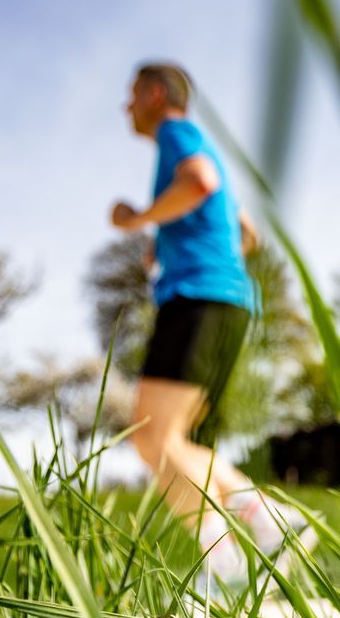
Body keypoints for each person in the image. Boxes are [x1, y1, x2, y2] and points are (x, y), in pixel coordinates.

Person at [110, 60, 300, 584]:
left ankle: (221, 559)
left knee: (152, 437)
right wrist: (170, 242)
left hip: (197, 299)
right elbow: (246, 230)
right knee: (175, 441)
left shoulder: (176, 132)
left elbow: (199, 182)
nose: (126, 106)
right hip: (227, 302)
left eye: (131, 95)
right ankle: (266, 524)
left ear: (154, 94)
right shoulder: (197, 140)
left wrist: (139, 219)